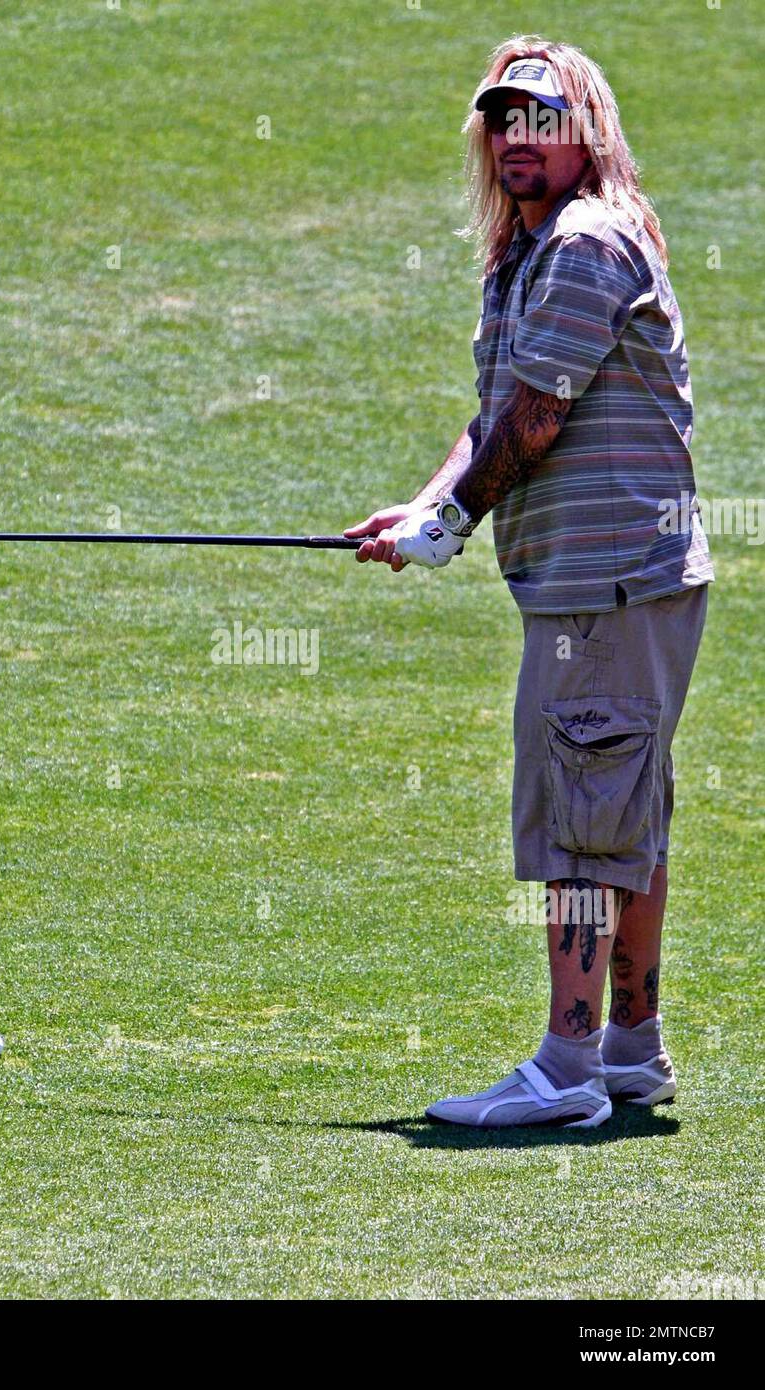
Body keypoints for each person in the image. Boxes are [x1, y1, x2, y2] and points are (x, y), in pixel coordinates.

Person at [345, 38, 713, 1128]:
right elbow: (497, 414)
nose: (516, 138)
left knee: (585, 824)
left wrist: (449, 526)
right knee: (619, 809)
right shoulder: (534, 250)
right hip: (608, 581)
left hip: (605, 584)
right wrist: (422, 508)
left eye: (541, 120)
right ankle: (626, 1052)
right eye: (502, 120)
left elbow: (535, 420)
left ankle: (564, 1070)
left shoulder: (586, 242)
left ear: (582, 133)